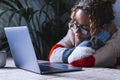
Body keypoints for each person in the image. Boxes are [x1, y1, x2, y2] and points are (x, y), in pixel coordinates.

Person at [48, 0, 119, 67]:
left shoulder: (116, 41)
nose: (76, 32)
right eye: (75, 24)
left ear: (103, 28)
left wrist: (103, 36)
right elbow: (53, 55)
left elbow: (78, 60)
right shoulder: (75, 29)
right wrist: (75, 52)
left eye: (84, 28)